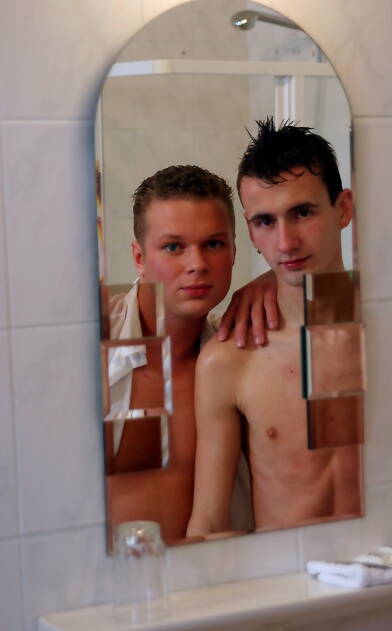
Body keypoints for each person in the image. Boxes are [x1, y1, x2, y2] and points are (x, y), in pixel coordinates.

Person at [187, 119, 363, 537]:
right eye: (266, 221)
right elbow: (209, 522)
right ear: (250, 231)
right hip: (288, 575)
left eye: (302, 213)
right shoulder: (229, 360)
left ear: (343, 209)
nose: (285, 243)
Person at [104, 164, 274, 544]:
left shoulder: (242, 352)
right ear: (138, 258)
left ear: (234, 251)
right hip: (113, 577)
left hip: (221, 574)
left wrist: (274, 278)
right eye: (173, 247)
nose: (197, 264)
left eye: (213, 244)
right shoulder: (90, 345)